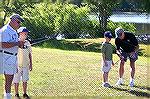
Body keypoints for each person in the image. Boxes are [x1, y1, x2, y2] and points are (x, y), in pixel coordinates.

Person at [0, 14, 24, 99]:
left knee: (10, 79)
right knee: (9, 80)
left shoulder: (14, 31)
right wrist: (17, 43)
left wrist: (20, 44)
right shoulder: (5, 30)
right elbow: (2, 44)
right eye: (18, 22)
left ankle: (7, 96)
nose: (19, 24)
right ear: (12, 20)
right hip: (6, 57)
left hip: (12, 58)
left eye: (20, 23)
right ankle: (8, 97)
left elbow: (13, 44)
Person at [13, 27, 32, 99]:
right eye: (25, 33)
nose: (26, 35)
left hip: (26, 65)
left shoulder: (28, 43)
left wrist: (31, 64)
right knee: (16, 80)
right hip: (17, 66)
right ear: (20, 34)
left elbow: (30, 54)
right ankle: (16, 94)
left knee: (25, 80)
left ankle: (24, 93)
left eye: (27, 34)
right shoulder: (16, 42)